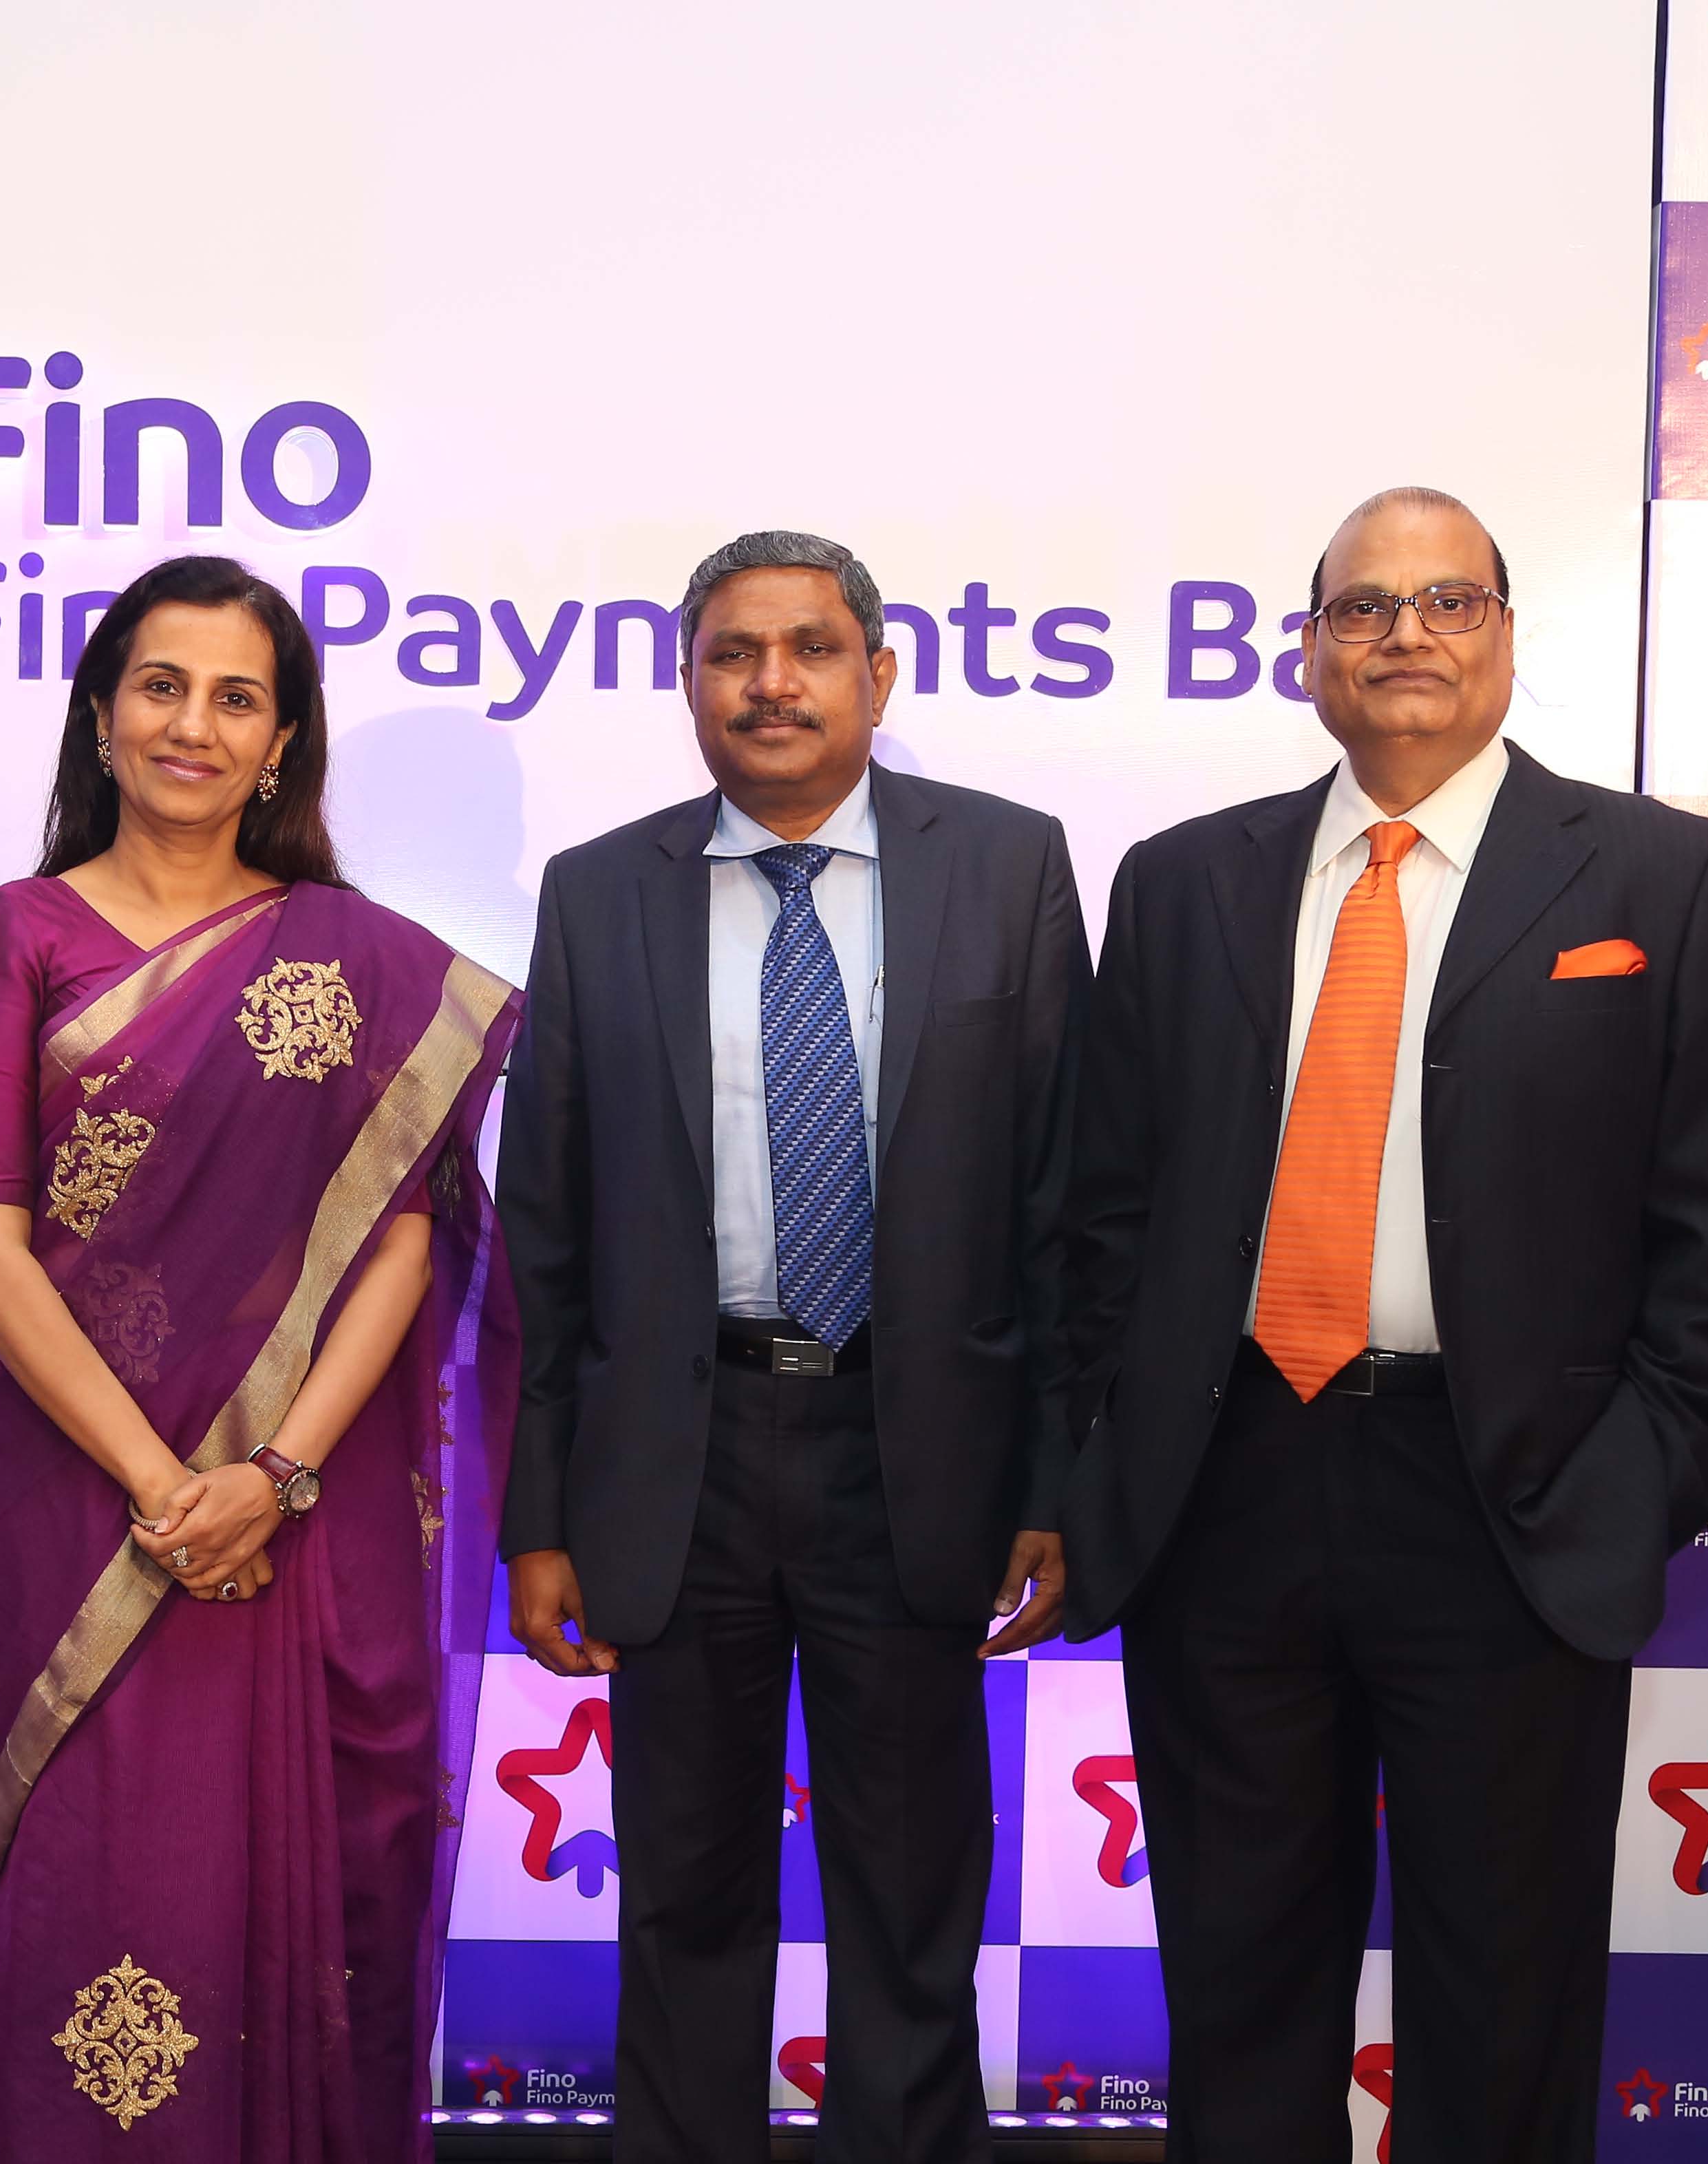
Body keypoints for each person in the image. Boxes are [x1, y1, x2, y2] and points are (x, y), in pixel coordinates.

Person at [1058, 487, 1708, 2161]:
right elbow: (1103, 1208)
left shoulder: (1660, 877)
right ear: (1308, 651)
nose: (1404, 633)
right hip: (1226, 1492)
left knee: (1504, 2005)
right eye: (1364, 606)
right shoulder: (1181, 882)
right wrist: (1106, 1451)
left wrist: (1625, 1483)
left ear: (1507, 637)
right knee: (1240, 1997)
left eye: (1447, 600)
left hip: (1510, 1502)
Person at [498, 531, 1089, 2160]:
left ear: (878, 677)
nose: (771, 684)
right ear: (687, 680)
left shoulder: (1010, 867)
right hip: (673, 1463)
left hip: (914, 1452)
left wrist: (1053, 1484)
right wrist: (539, 1510)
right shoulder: (598, 891)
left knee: (911, 1902)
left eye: (812, 649)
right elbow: (546, 1234)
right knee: (682, 1903)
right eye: (732, 653)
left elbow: (1063, 1208)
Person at [0, 555, 520, 2161]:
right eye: (162, 687)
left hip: (304, 1512)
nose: (194, 724)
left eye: (236, 698)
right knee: (100, 1898)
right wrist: (167, 1490)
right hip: (74, 1502)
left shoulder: (359, 959)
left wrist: (275, 1473)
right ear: (102, 717)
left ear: (281, 742)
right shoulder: (21, 934)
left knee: (325, 1893)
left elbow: (398, 1241)